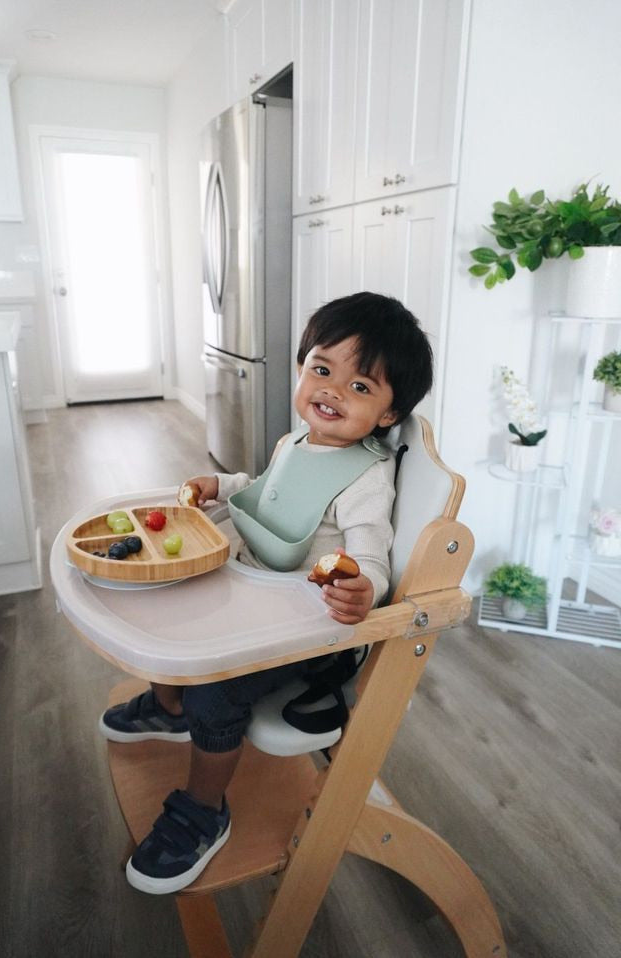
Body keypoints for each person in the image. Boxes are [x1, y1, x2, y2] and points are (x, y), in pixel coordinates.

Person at [99, 291, 434, 895]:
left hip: (306, 633)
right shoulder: (294, 442)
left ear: (388, 415)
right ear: (303, 368)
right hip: (253, 597)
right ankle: (169, 708)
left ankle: (205, 808)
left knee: (217, 691)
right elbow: (263, 489)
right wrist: (220, 486)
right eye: (322, 370)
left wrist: (364, 587)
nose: (332, 390)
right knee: (172, 614)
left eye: (361, 387)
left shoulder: (364, 479)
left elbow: (370, 552)